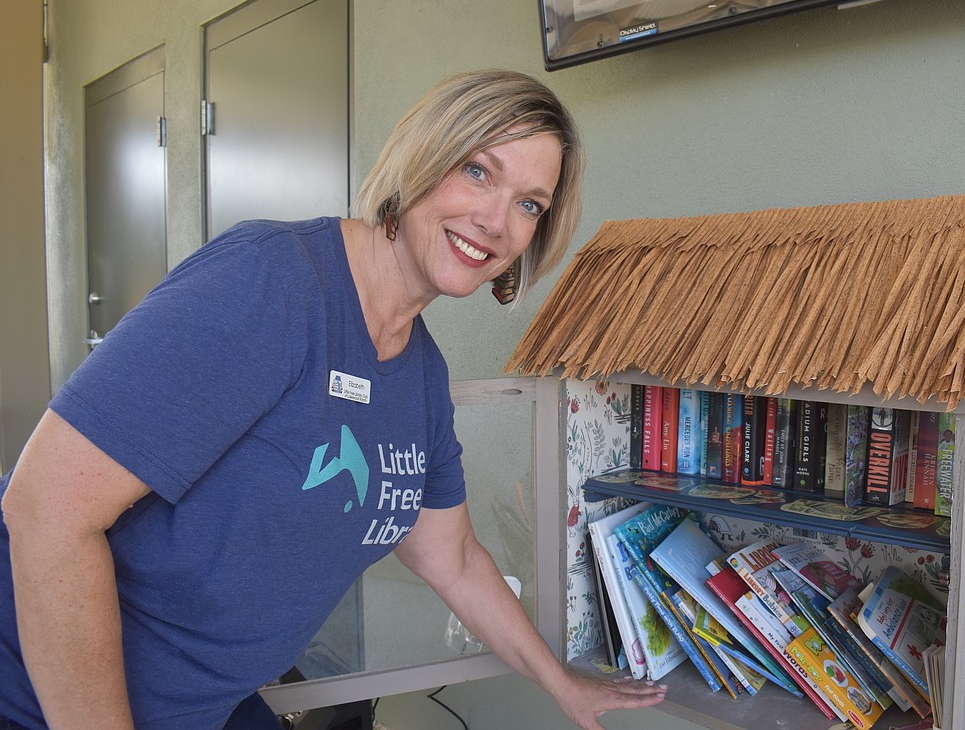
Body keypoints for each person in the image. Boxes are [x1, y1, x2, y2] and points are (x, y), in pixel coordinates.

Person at [0, 69, 667, 730]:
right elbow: (44, 507)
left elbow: (455, 559)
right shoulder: (270, 280)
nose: (495, 221)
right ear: (421, 157)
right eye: (477, 171)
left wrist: (559, 681)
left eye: (529, 205)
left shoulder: (421, 374)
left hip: (200, 702)